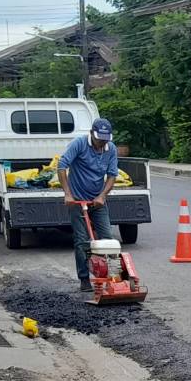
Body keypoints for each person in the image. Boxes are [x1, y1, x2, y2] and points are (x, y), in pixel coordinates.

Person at [58, 117, 120, 291]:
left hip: (97, 200)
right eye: (99, 138)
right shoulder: (79, 144)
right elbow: (62, 166)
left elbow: (112, 175)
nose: (102, 142)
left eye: (105, 139)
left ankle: (112, 277)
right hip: (77, 200)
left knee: (107, 238)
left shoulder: (111, 149)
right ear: (92, 134)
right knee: (82, 241)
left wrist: (102, 196)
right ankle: (84, 279)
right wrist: (68, 194)